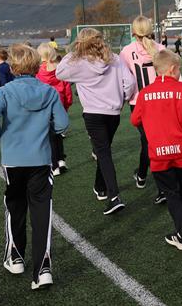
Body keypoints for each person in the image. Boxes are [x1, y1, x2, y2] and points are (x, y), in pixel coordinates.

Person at [0, 44, 70, 290]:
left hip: (13, 159)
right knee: (42, 212)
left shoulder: (4, 91)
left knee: (15, 207)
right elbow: (62, 125)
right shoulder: (49, 91)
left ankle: (16, 257)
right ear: (37, 66)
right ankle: (43, 270)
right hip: (41, 160)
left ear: (12, 67)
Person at [130, 49, 182, 262]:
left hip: (159, 153)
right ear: (172, 69)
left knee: (171, 194)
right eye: (179, 69)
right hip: (181, 150)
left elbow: (135, 120)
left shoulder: (145, 93)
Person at [56, 28, 136, 215]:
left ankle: (114, 196)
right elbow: (130, 83)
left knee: (103, 152)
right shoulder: (114, 58)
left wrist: (73, 52)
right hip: (113, 112)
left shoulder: (79, 62)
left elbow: (59, 72)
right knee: (104, 150)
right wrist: (122, 99)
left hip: (93, 113)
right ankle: (100, 186)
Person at [118, 17, 166, 192]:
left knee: (148, 141)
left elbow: (125, 81)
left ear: (133, 32)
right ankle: (146, 177)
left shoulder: (126, 51)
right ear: (151, 30)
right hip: (161, 99)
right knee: (156, 140)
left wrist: (124, 99)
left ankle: (147, 178)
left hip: (139, 102)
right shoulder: (161, 49)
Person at [36, 44, 73, 176]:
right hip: (59, 105)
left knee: (49, 137)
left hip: (45, 107)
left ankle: (54, 165)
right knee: (58, 134)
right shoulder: (60, 69)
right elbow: (67, 89)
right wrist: (66, 105)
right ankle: (61, 160)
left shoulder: (38, 71)